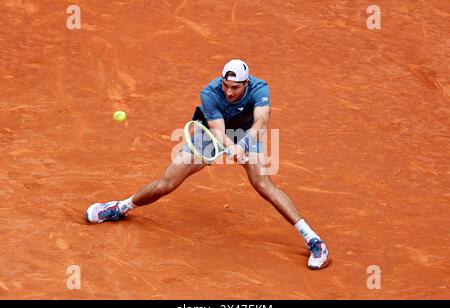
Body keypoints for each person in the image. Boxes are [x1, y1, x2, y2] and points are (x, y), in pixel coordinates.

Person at [86, 59, 329, 270]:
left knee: (264, 185)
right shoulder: (210, 93)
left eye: (235, 87)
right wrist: (231, 147)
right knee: (166, 184)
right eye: (225, 86)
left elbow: (261, 123)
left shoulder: (259, 88)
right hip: (210, 134)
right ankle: (120, 207)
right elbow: (218, 131)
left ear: (247, 83)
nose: (229, 92)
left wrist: (242, 145)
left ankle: (314, 241)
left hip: (246, 134)